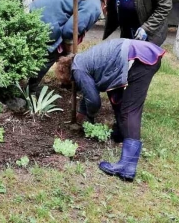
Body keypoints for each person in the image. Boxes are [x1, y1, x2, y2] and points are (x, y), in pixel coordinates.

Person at [55, 38, 165, 181]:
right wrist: (81, 113)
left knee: (129, 110)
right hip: (141, 55)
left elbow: (93, 101)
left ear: (68, 74)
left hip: (139, 60)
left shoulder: (77, 70)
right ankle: (120, 133)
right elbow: (88, 91)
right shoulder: (83, 61)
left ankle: (127, 167)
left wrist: (90, 116)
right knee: (119, 102)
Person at [27, 0, 103, 94]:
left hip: (37, 10)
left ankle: (67, 82)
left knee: (63, 52)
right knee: (51, 54)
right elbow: (69, 31)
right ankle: (31, 90)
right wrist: (70, 53)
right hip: (45, 21)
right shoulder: (94, 7)